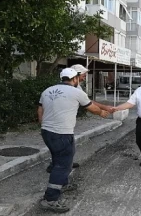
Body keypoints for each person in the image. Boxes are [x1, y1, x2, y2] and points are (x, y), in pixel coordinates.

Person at [37, 68, 109, 213]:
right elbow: (92, 108)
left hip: (47, 132)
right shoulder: (76, 92)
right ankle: (50, 200)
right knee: (63, 166)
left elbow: (40, 110)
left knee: (58, 160)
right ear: (74, 79)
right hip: (62, 134)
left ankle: (62, 184)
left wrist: (44, 124)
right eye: (78, 77)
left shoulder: (47, 90)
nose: (78, 80)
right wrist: (102, 112)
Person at [45, 64, 114, 173]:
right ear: (75, 76)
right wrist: (102, 110)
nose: (85, 77)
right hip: (61, 124)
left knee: (62, 147)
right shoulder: (74, 88)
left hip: (58, 123)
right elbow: (89, 104)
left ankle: (61, 164)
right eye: (83, 75)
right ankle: (59, 171)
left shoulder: (74, 87)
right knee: (66, 148)